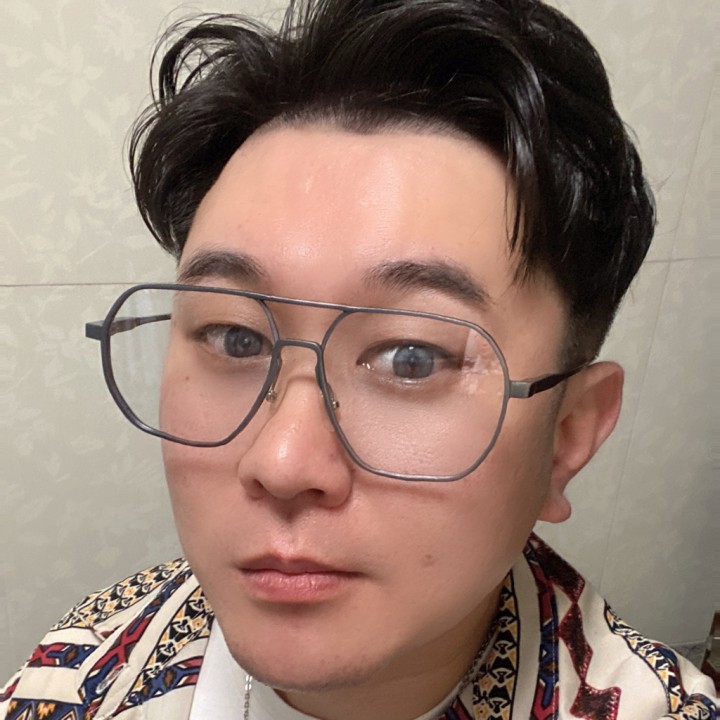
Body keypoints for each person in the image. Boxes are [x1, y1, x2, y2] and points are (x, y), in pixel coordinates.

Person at [1, 0, 717, 718]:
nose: (282, 462)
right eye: (236, 338)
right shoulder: (73, 679)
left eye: (411, 358)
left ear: (567, 434)